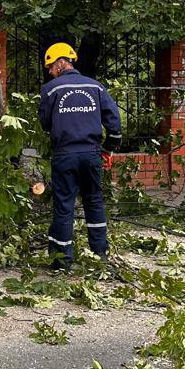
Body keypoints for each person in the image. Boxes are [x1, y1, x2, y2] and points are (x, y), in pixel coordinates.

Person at [38, 43, 122, 270]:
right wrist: (109, 148)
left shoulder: (51, 89)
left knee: (64, 205)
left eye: (50, 67)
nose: (49, 72)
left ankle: (61, 261)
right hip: (92, 154)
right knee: (94, 201)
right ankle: (100, 255)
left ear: (61, 62)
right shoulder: (95, 87)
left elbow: (45, 124)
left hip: (65, 154)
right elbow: (114, 122)